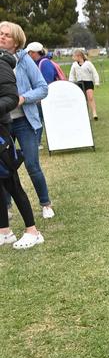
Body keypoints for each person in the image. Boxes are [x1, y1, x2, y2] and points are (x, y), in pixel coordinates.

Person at [0, 21, 54, 220]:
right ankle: (5, 207)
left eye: (7, 35)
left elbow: (43, 88)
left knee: (32, 165)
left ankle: (45, 203)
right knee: (4, 168)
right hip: (3, 122)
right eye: (0, 33)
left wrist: (22, 99)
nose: (2, 37)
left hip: (24, 121)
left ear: (16, 42)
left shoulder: (25, 60)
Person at [0, 47, 44, 249]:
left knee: (12, 182)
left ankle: (32, 231)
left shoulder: (2, 63)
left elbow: (10, 98)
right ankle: (4, 231)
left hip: (2, 130)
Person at [69, 49, 100, 121]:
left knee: (90, 97)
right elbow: (72, 75)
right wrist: (71, 83)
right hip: (80, 83)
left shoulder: (88, 63)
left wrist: (97, 82)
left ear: (79, 56)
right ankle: (86, 115)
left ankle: (94, 113)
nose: (73, 58)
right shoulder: (74, 65)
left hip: (88, 82)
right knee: (83, 99)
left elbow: (94, 72)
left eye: (74, 56)